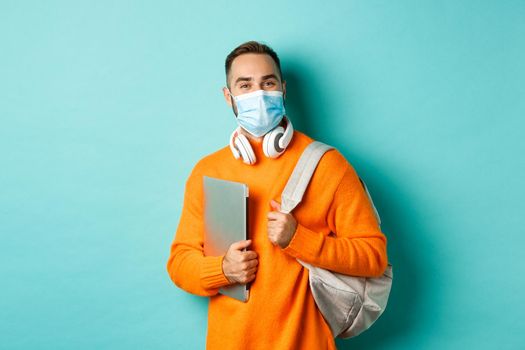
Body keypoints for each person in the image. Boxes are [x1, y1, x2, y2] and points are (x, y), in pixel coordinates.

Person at [166, 40, 389, 350]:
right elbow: (179, 263)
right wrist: (222, 269)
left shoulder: (328, 165)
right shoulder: (208, 171)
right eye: (245, 85)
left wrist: (299, 239)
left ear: (282, 88)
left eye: (267, 83)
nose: (258, 93)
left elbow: (374, 258)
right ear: (228, 96)